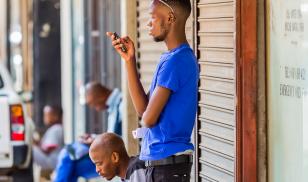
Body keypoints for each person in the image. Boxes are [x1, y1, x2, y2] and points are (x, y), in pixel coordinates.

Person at [107, 0, 198, 181]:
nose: (148, 23)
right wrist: (129, 61)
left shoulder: (176, 61)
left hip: (168, 167)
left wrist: (148, 114)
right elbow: (143, 109)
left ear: (170, 18)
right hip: (162, 165)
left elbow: (148, 119)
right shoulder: (170, 58)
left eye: (153, 17)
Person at [53, 82, 123, 181]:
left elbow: (125, 139)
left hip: (113, 155)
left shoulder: (122, 104)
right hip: (107, 150)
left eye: (94, 104)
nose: (96, 109)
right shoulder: (112, 107)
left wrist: (98, 141)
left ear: (101, 97)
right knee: (67, 158)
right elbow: (113, 135)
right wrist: (94, 138)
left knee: (67, 160)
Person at [33, 105, 64, 171]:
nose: (45, 118)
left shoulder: (56, 128)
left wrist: (35, 144)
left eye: (47, 115)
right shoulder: (54, 128)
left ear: (55, 116)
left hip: (53, 160)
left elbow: (48, 149)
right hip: (52, 159)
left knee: (30, 149)